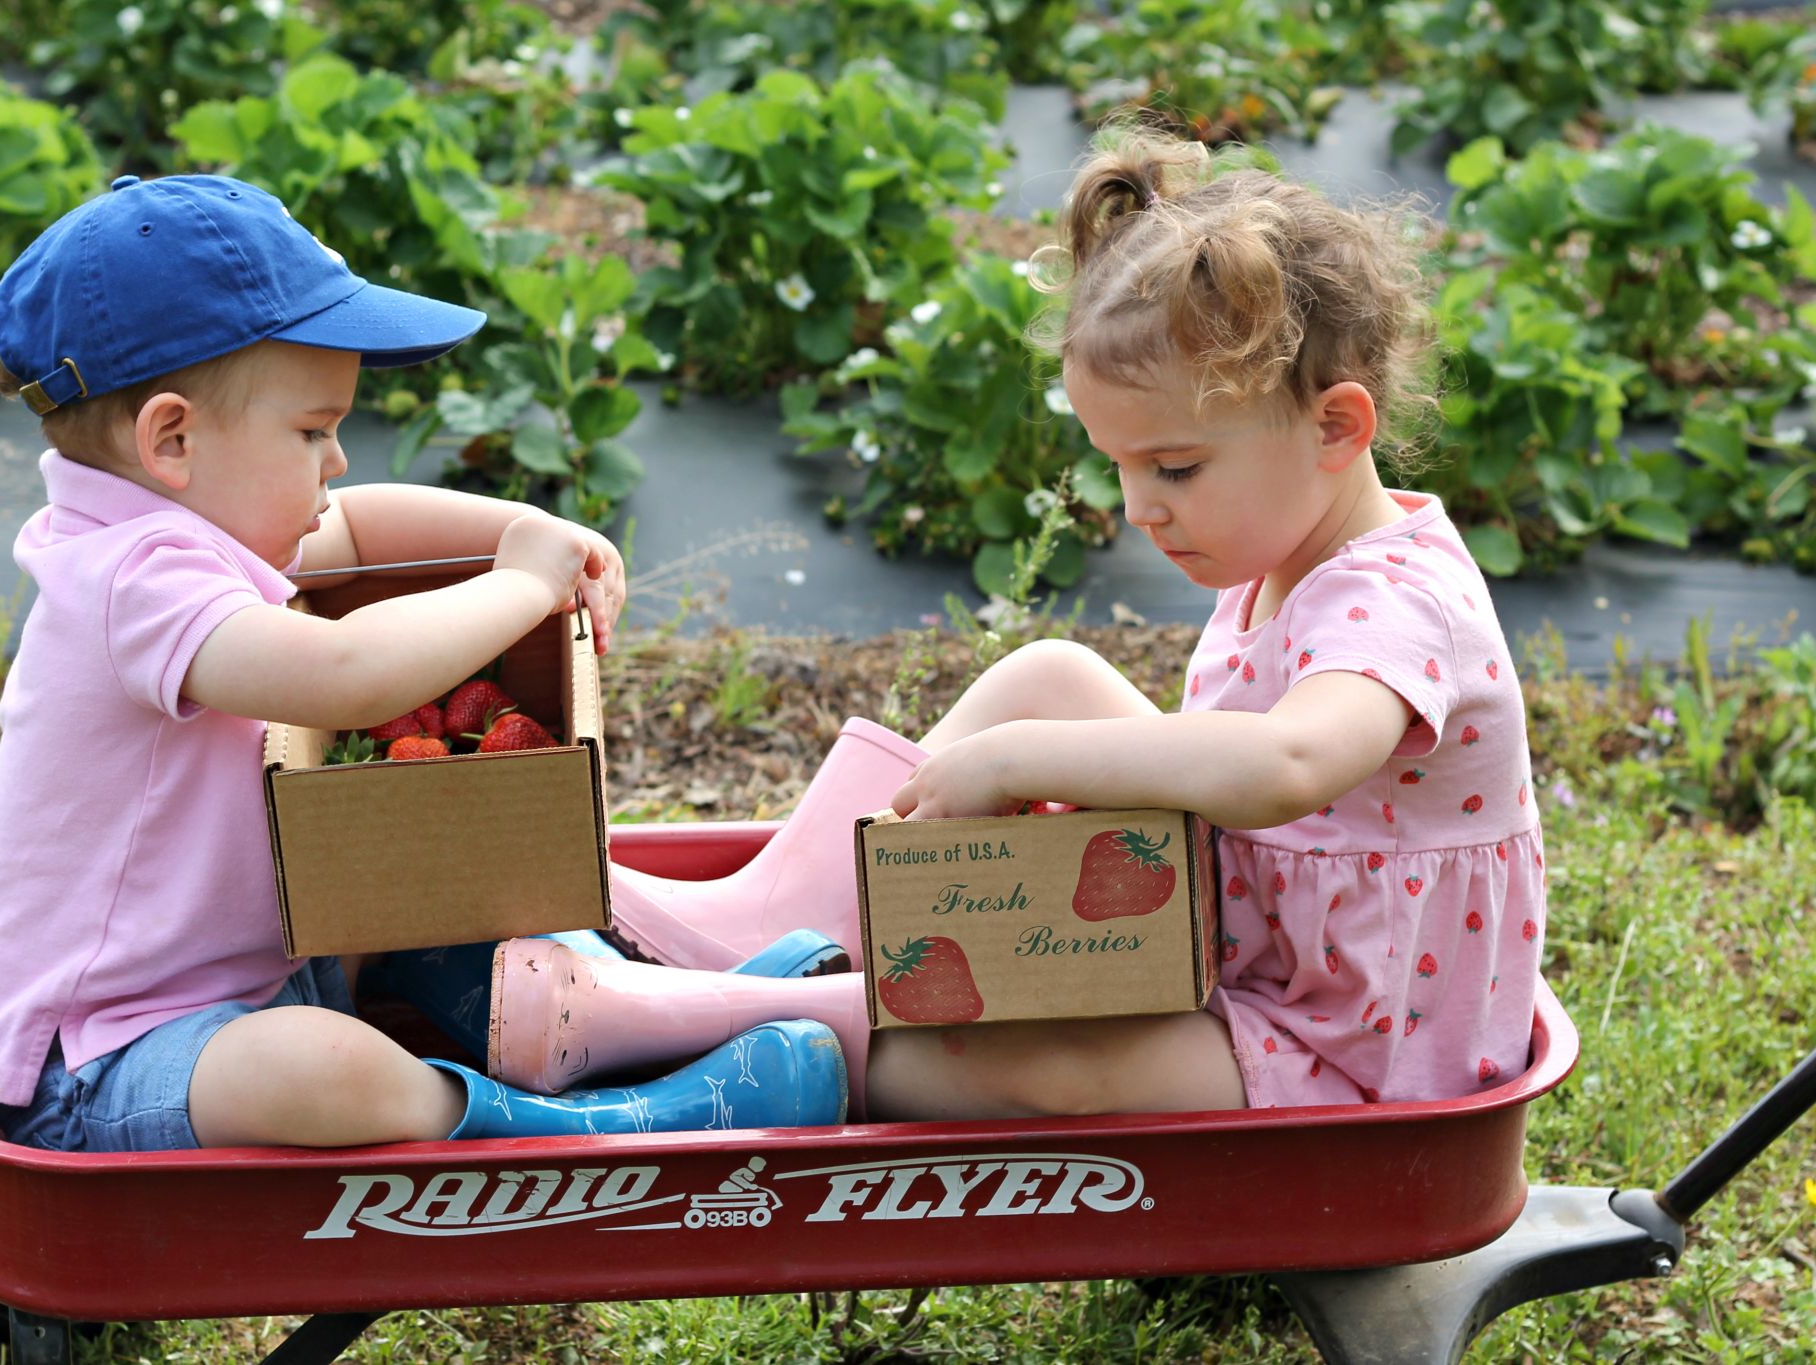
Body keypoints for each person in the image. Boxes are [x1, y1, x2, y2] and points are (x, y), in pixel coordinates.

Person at [481, 125, 1546, 1122]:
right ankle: (760, 926)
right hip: (1258, 955)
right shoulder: (1286, 554)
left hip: (1344, 1053)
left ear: (1335, 425)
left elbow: (1291, 763)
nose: (1139, 507)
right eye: (1119, 465)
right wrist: (1031, 740)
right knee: (1047, 670)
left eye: (1173, 466)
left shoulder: (1398, 601)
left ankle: (670, 1031)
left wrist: (1019, 762)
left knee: (1021, 1054)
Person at [0, 173, 849, 1154]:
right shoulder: (128, 578)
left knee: (442, 868)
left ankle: (669, 1008)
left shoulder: (191, 516)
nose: (335, 461)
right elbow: (347, 672)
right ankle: (592, 1123)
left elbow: (357, 525)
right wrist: (516, 586)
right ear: (172, 437)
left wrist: (523, 528)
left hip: (249, 970)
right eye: (313, 432)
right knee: (321, 1071)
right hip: (104, 1057)